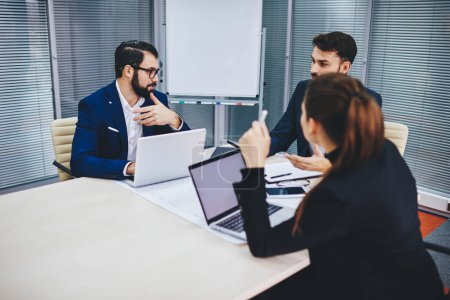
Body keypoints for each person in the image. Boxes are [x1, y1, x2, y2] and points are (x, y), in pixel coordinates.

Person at [234, 74, 444, 300]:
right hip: (419, 284)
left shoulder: (335, 194)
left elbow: (262, 244)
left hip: (374, 289)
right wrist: (330, 166)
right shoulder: (385, 150)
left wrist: (254, 165)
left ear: (312, 126)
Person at [71, 40, 190, 179]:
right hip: (112, 183)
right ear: (128, 71)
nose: (156, 79)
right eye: (150, 71)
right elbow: (80, 163)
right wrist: (130, 167)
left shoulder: (157, 100)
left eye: (157, 72)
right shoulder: (94, 105)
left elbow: (186, 150)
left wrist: (173, 118)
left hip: (151, 180)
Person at [270, 31, 382, 172]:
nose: (313, 70)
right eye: (313, 61)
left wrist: (328, 168)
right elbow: (281, 136)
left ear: (344, 67)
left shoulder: (367, 101)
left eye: (323, 64)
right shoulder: (303, 89)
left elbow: (365, 161)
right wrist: (256, 148)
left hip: (342, 182)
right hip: (303, 177)